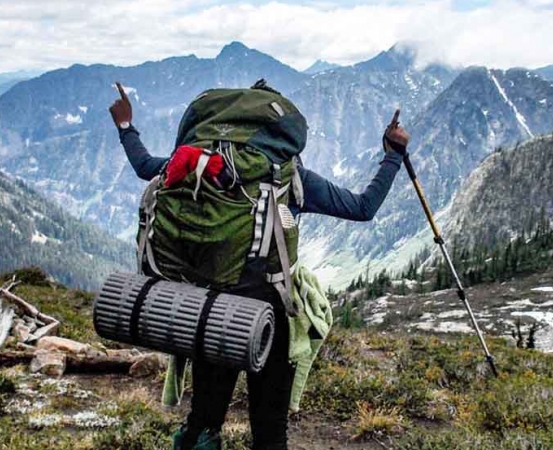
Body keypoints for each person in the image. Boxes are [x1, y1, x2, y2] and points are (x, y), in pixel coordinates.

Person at [109, 82, 409, 450]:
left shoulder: (195, 165)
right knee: (269, 431)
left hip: (210, 311)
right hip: (266, 315)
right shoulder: (288, 176)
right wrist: (393, 154)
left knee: (204, 420)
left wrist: (126, 126)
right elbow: (362, 208)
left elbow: (143, 166)